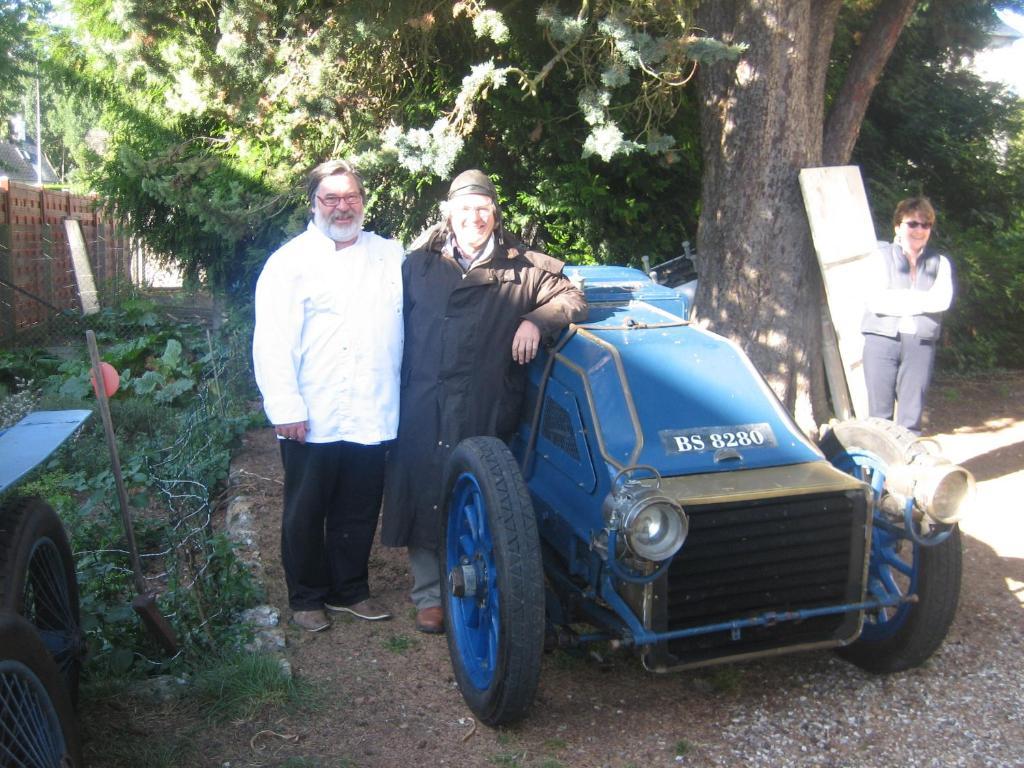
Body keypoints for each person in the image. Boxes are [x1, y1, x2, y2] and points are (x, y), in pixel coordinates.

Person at [381, 169, 587, 634]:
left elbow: (573, 298)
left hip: (485, 398)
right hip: (423, 397)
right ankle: (430, 593)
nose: (474, 218)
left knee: (480, 488)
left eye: (483, 209)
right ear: (448, 214)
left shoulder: (525, 267)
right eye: (464, 209)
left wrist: (536, 320)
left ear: (494, 213)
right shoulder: (418, 265)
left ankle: (482, 584)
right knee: (423, 483)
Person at [252, 159, 404, 632]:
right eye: (331, 198)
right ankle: (307, 596)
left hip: (371, 406)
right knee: (305, 509)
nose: (343, 207)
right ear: (313, 203)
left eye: (351, 197)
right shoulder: (288, 263)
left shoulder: (390, 256)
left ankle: (350, 589)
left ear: (363, 201)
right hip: (311, 411)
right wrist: (286, 407)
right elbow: (272, 340)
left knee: (358, 508)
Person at [861, 196, 954, 435]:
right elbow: (876, 300)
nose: (919, 230)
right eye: (912, 224)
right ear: (898, 227)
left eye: (925, 225)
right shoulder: (878, 257)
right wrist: (921, 300)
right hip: (881, 340)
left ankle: (907, 468)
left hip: (920, 343)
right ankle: (878, 469)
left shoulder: (939, 262)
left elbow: (942, 300)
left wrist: (899, 298)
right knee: (879, 416)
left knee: (911, 417)